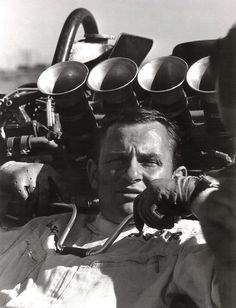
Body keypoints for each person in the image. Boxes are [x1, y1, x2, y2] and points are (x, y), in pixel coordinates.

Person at [0, 106, 222, 308]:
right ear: (94, 174)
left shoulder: (189, 244)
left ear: (177, 177)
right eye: (117, 161)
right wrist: (4, 172)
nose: (131, 174)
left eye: (149, 161)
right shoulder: (41, 230)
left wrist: (198, 193)